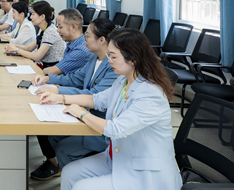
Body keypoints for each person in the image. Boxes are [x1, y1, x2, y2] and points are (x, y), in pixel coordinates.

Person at [39, 28, 182, 190]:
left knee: (82, 187)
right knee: (70, 172)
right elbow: (96, 99)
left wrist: (82, 113)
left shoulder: (150, 93)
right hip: (119, 157)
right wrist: (61, 98)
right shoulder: (123, 81)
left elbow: (115, 129)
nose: (109, 60)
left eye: (113, 56)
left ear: (133, 59)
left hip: (146, 172)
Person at [29, 18, 118, 180]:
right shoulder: (93, 58)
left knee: (63, 148)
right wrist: (49, 79)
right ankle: (66, 166)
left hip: (99, 122)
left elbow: (94, 95)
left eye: (88, 35)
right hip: (83, 113)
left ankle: (74, 175)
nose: (84, 39)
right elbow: (75, 78)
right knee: (51, 134)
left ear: (102, 40)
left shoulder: (113, 66)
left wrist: (58, 92)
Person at [4, 0, 65, 68]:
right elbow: (29, 48)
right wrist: (12, 46)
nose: (30, 17)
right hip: (47, 66)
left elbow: (37, 57)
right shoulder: (43, 29)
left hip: (53, 68)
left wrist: (16, 49)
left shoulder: (50, 32)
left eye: (33, 14)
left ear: (42, 16)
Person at [42, 8, 91, 76]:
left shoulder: (81, 50)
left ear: (73, 27)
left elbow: (51, 71)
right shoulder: (71, 44)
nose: (57, 30)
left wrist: (43, 71)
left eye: (60, 27)